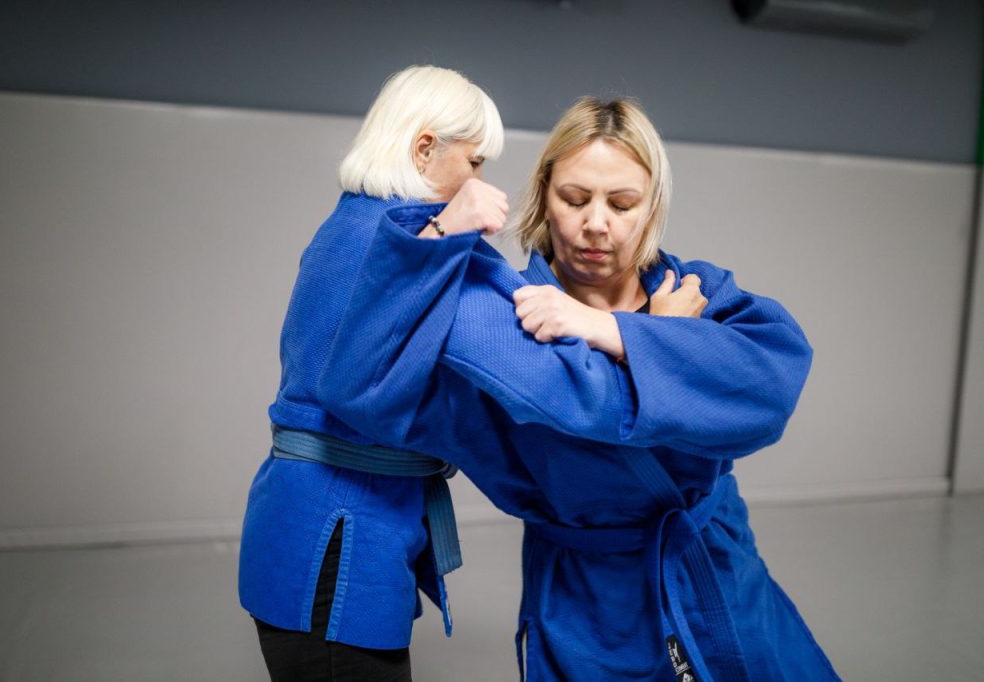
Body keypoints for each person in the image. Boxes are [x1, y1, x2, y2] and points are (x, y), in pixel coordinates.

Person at [315, 98, 840, 680]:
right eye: (574, 198)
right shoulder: (503, 319)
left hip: (720, 575)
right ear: (544, 195)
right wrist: (426, 244)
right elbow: (366, 387)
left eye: (622, 204)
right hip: (586, 607)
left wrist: (612, 330)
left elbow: (770, 390)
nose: (596, 224)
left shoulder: (692, 290)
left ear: (653, 205)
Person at [237, 64, 509, 682]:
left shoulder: (367, 230)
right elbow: (354, 383)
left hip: (331, 519)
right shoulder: (382, 239)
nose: (479, 181)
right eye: (473, 163)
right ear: (424, 149)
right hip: (333, 531)